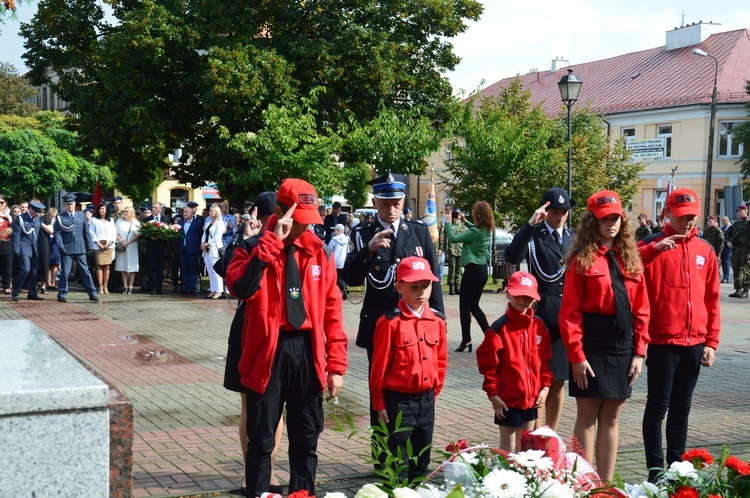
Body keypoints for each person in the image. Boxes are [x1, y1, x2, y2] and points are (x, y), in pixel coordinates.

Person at [225, 178, 347, 497]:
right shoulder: (252, 248)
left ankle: (302, 493)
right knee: (261, 441)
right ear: (280, 212)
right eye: (299, 221)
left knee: (306, 438)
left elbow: (332, 310)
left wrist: (336, 365)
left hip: (307, 352)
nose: (305, 228)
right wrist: (269, 246)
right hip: (269, 353)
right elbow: (240, 287)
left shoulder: (317, 251)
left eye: (309, 221)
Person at [559, 190, 650, 481]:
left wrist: (639, 352)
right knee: (586, 417)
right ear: (592, 222)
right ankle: (583, 482)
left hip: (622, 342)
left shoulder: (631, 259)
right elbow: (569, 312)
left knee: (611, 417)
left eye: (615, 218)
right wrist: (576, 355)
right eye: (604, 219)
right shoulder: (580, 259)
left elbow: (642, 309)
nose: (611, 223)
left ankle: (606, 485)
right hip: (590, 342)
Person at [344, 173, 444, 433]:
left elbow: (433, 278)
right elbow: (351, 277)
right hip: (381, 324)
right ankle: (382, 459)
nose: (391, 209)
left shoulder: (419, 231)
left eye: (397, 203)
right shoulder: (362, 232)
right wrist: (369, 250)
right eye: (386, 203)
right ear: (375, 202)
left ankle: (411, 447)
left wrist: (439, 316)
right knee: (380, 388)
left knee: (414, 384)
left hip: (416, 325)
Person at [638, 188, 720, 482]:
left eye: (692, 216)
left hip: (695, 342)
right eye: (682, 215)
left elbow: (711, 299)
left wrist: (711, 341)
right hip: (662, 342)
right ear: (668, 213)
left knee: (682, 409)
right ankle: (655, 471)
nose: (687, 221)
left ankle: (676, 470)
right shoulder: (650, 245)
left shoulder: (705, 249)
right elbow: (627, 270)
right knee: (658, 407)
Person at [220, 192, 285, 495]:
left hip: (267, 329)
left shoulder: (277, 244)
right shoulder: (249, 244)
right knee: (258, 404)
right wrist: (245, 239)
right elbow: (226, 269)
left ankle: (261, 472)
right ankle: (257, 472)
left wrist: (247, 238)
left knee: (262, 406)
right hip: (250, 327)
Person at [504, 187, 576, 432]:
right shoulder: (534, 237)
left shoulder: (573, 238)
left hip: (566, 319)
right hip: (542, 317)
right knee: (537, 380)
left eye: (563, 212)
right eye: (555, 212)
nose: (559, 217)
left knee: (558, 382)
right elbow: (512, 256)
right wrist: (530, 225)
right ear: (545, 210)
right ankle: (532, 433)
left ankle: (550, 434)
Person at [369, 256, 447, 481]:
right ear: (399, 287)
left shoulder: (437, 321)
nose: (421, 292)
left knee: (422, 457)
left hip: (426, 400)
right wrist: (379, 402)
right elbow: (379, 366)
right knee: (398, 459)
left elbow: (440, 361)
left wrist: (434, 392)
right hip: (399, 402)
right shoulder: (390, 322)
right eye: (414, 287)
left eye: (426, 286)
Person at [477, 271, 552, 452]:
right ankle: (506, 479)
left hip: (532, 398)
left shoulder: (539, 326)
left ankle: (523, 478)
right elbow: (489, 365)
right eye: (518, 295)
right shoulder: (498, 329)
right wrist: (493, 394)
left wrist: (546, 387)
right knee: (508, 445)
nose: (523, 301)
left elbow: (545, 362)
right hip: (507, 399)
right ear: (508, 294)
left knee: (526, 445)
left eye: (528, 297)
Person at [444, 201, 493, 352]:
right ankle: (491, 336)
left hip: (472, 271)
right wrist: (465, 221)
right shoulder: (486, 229)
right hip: (482, 271)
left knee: (464, 307)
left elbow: (452, 238)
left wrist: (447, 224)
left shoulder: (475, 232)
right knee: (474, 306)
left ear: (478, 215)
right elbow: (473, 228)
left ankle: (466, 339)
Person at [54, 194, 98, 303]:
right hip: (67, 249)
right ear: (64, 205)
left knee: (85, 271)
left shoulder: (81, 215)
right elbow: (57, 234)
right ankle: (62, 293)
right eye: (68, 204)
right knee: (65, 272)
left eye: (72, 204)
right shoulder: (60, 217)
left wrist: (90, 247)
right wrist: (61, 247)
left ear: (75, 204)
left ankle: (92, 293)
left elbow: (86, 232)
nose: (70, 206)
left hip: (80, 248)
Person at [11, 200, 45, 301]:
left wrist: (42, 249)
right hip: (24, 247)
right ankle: (15, 292)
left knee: (34, 271)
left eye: (38, 213)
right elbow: (16, 235)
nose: (37, 215)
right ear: (30, 209)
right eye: (35, 212)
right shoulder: (20, 218)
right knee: (25, 269)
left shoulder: (38, 219)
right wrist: (16, 249)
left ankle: (32, 293)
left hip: (34, 248)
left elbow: (39, 236)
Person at [142, 202, 170, 295]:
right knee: (151, 268)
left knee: (160, 268)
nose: (154, 209)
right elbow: (143, 233)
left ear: (160, 209)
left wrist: (163, 236)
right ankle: (152, 288)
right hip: (151, 247)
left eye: (156, 208)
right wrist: (150, 237)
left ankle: (159, 287)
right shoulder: (147, 220)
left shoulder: (166, 219)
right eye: (153, 207)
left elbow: (170, 232)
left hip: (162, 247)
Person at [90, 203, 116, 295]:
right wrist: (98, 243)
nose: (101, 210)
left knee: (107, 266)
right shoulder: (94, 220)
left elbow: (114, 233)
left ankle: (106, 286)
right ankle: (100, 286)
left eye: (103, 209)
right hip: (99, 245)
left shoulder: (111, 220)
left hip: (109, 246)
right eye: (100, 209)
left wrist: (109, 243)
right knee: (99, 265)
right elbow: (91, 232)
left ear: (106, 210)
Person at [115, 206, 141, 295]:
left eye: (127, 211)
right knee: (123, 266)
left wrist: (128, 241)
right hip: (122, 245)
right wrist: (122, 241)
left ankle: (131, 286)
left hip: (132, 246)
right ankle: (125, 285)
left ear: (131, 213)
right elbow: (116, 233)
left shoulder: (136, 222)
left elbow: (137, 234)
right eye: (124, 211)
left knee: (132, 266)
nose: (125, 213)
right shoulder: (119, 221)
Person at [202, 204, 226, 299]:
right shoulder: (208, 223)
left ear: (216, 213)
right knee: (210, 270)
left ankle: (219, 290)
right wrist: (203, 243)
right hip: (207, 249)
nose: (210, 212)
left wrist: (207, 243)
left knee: (216, 270)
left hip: (214, 249)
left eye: (212, 211)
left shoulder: (219, 223)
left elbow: (217, 237)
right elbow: (204, 234)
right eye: (210, 211)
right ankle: (213, 289)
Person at [726, 205, 750, 298]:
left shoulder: (748, 223)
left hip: (746, 250)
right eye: (738, 212)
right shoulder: (735, 224)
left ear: (746, 211)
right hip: (736, 250)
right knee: (736, 270)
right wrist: (728, 241)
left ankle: (745, 290)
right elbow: (728, 233)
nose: (739, 213)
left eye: (741, 211)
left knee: (746, 271)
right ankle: (737, 289)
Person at [439, 208, 465, 295]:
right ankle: (451, 287)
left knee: (458, 269)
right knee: (452, 269)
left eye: (458, 214)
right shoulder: (449, 225)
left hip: (460, 249)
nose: (457, 216)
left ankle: (457, 287)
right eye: (455, 214)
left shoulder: (462, 225)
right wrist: (446, 251)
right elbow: (446, 238)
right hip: (451, 249)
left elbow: (465, 236)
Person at [327, 223, 349, 298]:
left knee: (336, 278)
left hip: (335, 261)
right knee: (342, 277)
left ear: (339, 231)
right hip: (344, 260)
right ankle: (344, 290)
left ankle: (344, 288)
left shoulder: (334, 240)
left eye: (335, 230)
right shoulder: (347, 239)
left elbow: (329, 250)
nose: (334, 232)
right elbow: (348, 250)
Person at [0, 196, 13, 295]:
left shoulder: (10, 215)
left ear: (5, 203)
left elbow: (12, 228)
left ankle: (7, 285)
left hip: (7, 244)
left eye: (2, 202)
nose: (0, 204)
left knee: (7, 266)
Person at [720, 215, 732, 284]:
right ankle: (724, 277)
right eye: (723, 222)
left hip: (728, 248)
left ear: (728, 221)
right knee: (723, 263)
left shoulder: (732, 227)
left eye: (724, 222)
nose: (723, 223)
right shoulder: (722, 228)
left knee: (726, 262)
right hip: (722, 248)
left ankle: (726, 277)